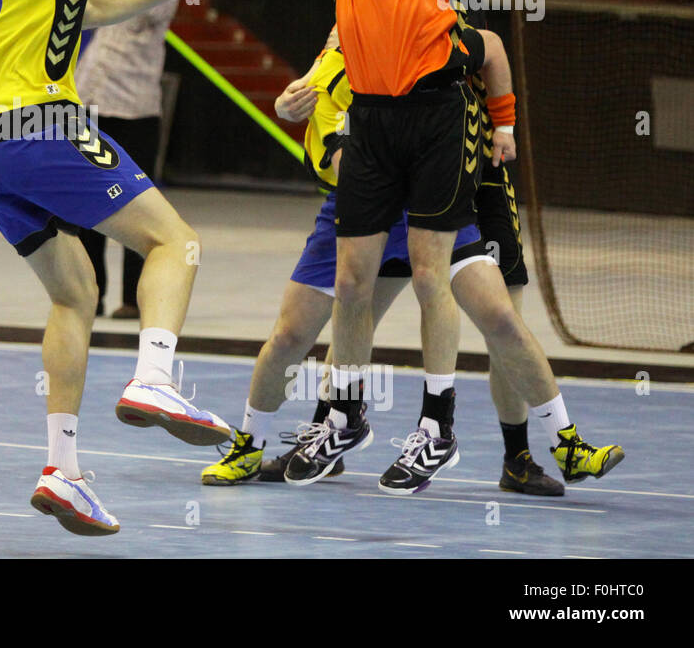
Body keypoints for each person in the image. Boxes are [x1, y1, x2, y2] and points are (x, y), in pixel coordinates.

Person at [0, 0, 270, 535]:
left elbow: (87, 9)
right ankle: (156, 378)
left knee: (76, 294)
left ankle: (61, 471)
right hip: (37, 122)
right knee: (175, 243)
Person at [284, 0, 557, 492]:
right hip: (367, 122)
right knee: (352, 282)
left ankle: (437, 424)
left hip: (435, 115)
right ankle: (345, 410)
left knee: (433, 275)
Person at [202, 34, 623, 493]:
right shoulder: (335, 72)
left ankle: (564, 443)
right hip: (367, 208)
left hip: (431, 204)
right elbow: (345, 158)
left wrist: (501, 128)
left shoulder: (429, 38)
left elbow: (493, 51)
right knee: (296, 331)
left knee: (501, 317)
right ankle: (261, 441)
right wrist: (289, 105)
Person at [75, 0, 178, 320]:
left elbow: (146, 8)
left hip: (136, 111)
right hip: (91, 107)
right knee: (88, 209)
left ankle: (134, 301)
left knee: (137, 210)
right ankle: (91, 296)